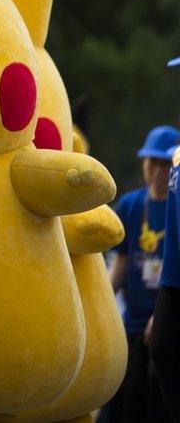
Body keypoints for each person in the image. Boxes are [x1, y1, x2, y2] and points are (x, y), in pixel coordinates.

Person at [104, 126, 179, 422]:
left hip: (164, 320)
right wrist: (104, 303)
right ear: (143, 164)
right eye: (152, 163)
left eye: (164, 164)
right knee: (126, 397)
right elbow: (121, 262)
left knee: (157, 393)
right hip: (132, 323)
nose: (158, 171)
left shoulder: (175, 203)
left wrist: (160, 316)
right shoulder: (132, 204)